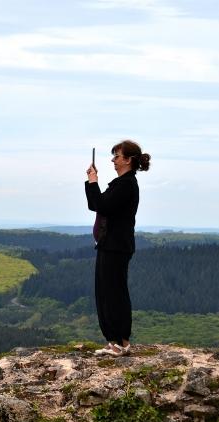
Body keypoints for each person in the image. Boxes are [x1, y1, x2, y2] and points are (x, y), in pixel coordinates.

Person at [85, 140, 151, 356]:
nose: (113, 160)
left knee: (113, 292)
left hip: (115, 246)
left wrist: (93, 182)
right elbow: (97, 204)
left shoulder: (126, 184)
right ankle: (116, 340)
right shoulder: (123, 183)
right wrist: (92, 183)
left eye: (117, 156)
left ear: (128, 160)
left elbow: (102, 205)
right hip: (112, 245)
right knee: (109, 291)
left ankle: (119, 342)